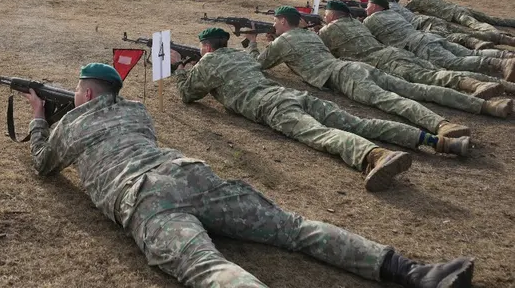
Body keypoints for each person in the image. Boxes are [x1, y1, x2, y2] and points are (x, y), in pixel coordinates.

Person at [20, 62, 475, 288]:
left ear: (83, 92)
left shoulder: (72, 125)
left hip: (144, 199)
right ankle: (415, 272)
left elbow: (44, 164)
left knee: (211, 268)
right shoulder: (137, 111)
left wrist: (41, 116)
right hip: (187, 172)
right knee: (292, 229)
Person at [171, 27, 469, 190]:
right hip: (292, 94)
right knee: (359, 122)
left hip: (271, 107)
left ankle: (374, 155)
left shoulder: (208, 61)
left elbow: (187, 94)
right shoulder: (241, 57)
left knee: (320, 135)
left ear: (206, 47)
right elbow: (251, 60)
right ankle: (440, 141)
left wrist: (178, 68)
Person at [242, 6, 470, 140]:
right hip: (355, 66)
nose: (273, 25)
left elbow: (257, 64)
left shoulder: (283, 42)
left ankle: (441, 125)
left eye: (274, 21)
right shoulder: (310, 35)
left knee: (391, 100)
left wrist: (252, 42)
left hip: (343, 75)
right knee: (415, 88)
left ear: (283, 21)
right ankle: (478, 101)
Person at [318, 0, 512, 118]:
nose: (324, 16)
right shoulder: (363, 23)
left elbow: (322, 49)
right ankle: (504, 80)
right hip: (402, 50)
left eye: (325, 14)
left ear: (333, 15)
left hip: (390, 59)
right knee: (442, 71)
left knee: (432, 81)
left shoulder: (337, 28)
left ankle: (480, 89)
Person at [363, 0, 515, 81]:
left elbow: (366, 35)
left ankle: (499, 63)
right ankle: (505, 56)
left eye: (368, 6)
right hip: (427, 36)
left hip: (419, 45)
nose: (366, 9)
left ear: (376, 7)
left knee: (454, 62)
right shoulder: (393, 13)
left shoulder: (370, 20)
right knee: (470, 54)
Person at [408, 0, 515, 37]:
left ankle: (499, 35)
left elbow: (405, 10)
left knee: (476, 25)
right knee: (493, 19)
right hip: (460, 8)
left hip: (456, 14)